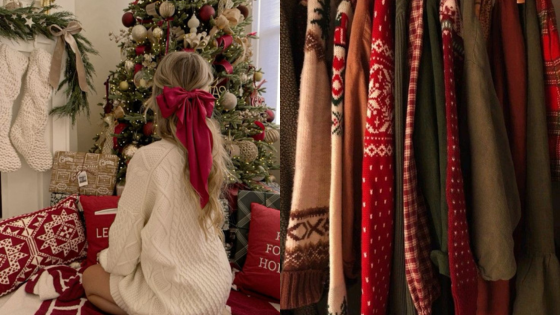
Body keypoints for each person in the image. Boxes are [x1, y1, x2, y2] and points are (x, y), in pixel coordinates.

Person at [82, 52, 233, 315]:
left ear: (158, 97)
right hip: (216, 288)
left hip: (181, 300)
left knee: (90, 277)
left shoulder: (149, 159)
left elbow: (125, 247)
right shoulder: (211, 150)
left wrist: (105, 260)